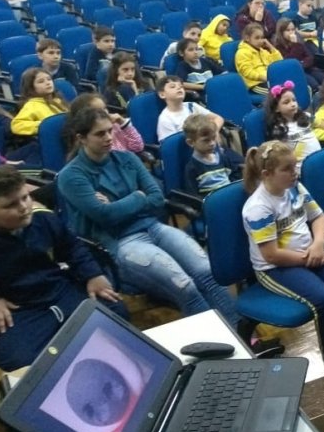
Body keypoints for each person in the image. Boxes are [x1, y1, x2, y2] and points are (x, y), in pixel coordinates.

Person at [58, 108, 239, 324]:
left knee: (209, 273)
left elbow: (157, 197)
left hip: (154, 227)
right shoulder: (71, 176)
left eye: (110, 130)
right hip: (120, 242)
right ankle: (219, 340)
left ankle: (238, 333)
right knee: (185, 286)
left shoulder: (126, 158)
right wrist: (138, 196)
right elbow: (104, 216)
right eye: (100, 134)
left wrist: (119, 204)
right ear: (81, 138)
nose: (108, 137)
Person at [242, 141, 324, 371]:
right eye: (287, 169)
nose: (294, 173)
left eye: (294, 166)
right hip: (275, 268)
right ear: (267, 174)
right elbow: (271, 256)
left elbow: (319, 218)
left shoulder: (294, 187)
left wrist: (318, 245)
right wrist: (315, 258)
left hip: (310, 254)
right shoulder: (258, 207)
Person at [0, 165, 127, 371]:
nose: (24, 207)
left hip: (58, 288)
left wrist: (93, 274)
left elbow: (72, 248)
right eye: (11, 205)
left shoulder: (42, 217)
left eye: (25, 197)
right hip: (20, 306)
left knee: (115, 312)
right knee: (17, 360)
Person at [182, 113, 243, 196]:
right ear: (191, 142)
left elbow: (234, 176)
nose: (212, 143)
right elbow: (193, 196)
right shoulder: (192, 168)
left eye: (214, 138)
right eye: (206, 140)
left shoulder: (222, 157)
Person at [264, 81, 322, 165]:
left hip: (319, 159)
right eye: (286, 102)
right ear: (276, 108)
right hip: (300, 166)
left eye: (294, 100)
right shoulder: (280, 128)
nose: (293, 104)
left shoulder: (306, 116)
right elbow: (282, 152)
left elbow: (322, 124)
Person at [67, 93, 144, 156]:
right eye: (99, 111)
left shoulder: (115, 125)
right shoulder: (90, 140)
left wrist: (123, 123)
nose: (105, 113)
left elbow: (138, 147)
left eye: (105, 108)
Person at [155, 75, 223, 141]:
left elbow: (218, 118)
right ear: (162, 94)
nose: (179, 88)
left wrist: (214, 131)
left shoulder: (191, 106)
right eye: (172, 87)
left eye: (181, 86)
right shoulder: (165, 119)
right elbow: (170, 145)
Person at [10, 67, 68, 138]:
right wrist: (43, 125)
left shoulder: (58, 100)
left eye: (49, 79)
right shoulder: (31, 105)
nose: (48, 83)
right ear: (31, 88)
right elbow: (17, 125)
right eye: (41, 81)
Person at [235, 23, 281, 94]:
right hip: (256, 84)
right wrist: (264, 77)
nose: (261, 41)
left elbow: (279, 62)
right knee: (279, 91)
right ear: (247, 38)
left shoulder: (263, 51)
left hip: (269, 79)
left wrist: (271, 47)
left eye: (262, 38)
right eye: (257, 38)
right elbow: (247, 72)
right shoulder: (242, 53)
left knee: (289, 86)